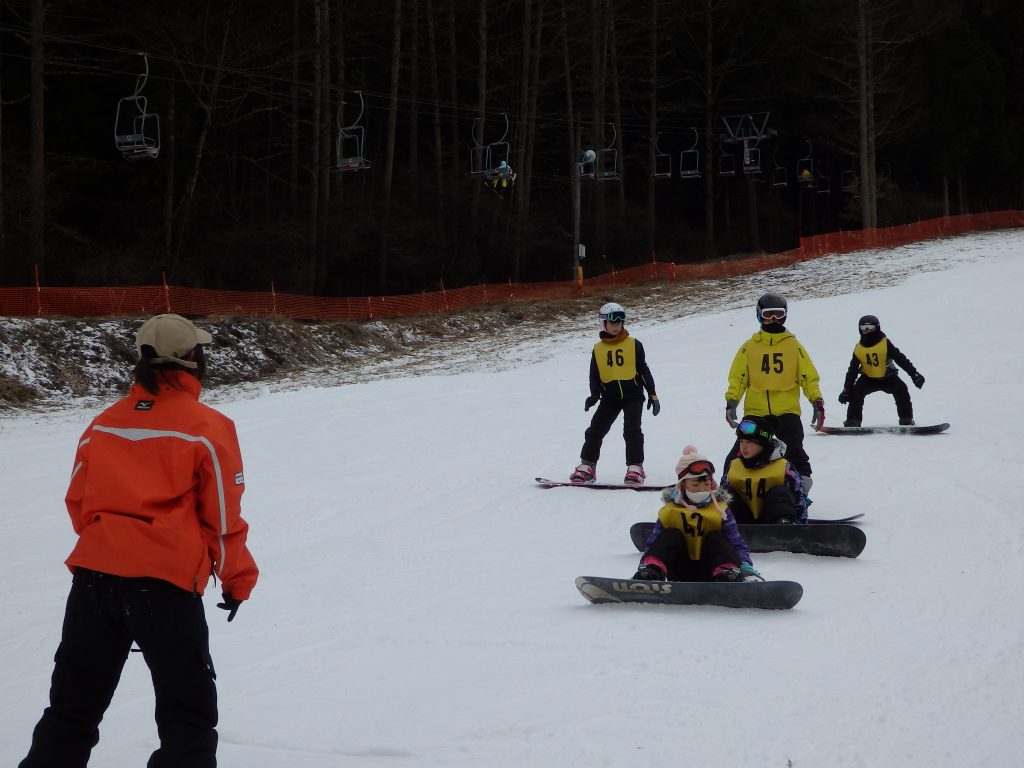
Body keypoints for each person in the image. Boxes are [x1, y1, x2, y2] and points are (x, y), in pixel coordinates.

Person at [19, 313, 259, 768]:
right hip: (163, 587)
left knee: (71, 709)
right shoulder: (207, 427)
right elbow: (222, 518)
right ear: (194, 359)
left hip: (93, 581)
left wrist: (113, 545)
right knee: (187, 716)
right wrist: (237, 579)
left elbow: (78, 501)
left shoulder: (105, 423)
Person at [724, 292, 824, 490]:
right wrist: (732, 401)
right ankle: (729, 492)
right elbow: (738, 377)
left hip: (787, 410)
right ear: (759, 315)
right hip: (756, 412)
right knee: (739, 452)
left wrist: (816, 400)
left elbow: (807, 375)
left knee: (794, 450)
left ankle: (800, 490)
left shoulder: (793, 345)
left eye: (778, 314)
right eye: (769, 314)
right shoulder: (750, 346)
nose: (773, 319)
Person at [633, 446, 762, 583]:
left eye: (706, 483)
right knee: (670, 534)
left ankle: (728, 572)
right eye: (695, 484)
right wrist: (644, 565)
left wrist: (745, 565)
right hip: (679, 569)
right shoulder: (671, 510)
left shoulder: (720, 510)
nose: (702, 489)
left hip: (712, 570)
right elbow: (654, 543)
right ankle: (652, 571)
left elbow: (736, 542)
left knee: (716, 537)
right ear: (682, 485)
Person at [570, 302, 660, 485]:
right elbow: (594, 375)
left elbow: (643, 370)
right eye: (612, 321)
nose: (617, 325)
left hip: (633, 395)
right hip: (609, 397)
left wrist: (652, 394)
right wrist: (594, 395)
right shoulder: (598, 349)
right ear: (603, 323)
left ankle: (635, 468)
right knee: (595, 430)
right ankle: (587, 467)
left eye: (620, 321)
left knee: (632, 431)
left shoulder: (634, 344)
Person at [838, 314, 925, 426]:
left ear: (877, 328)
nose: (867, 331)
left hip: (888, 377)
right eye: (863, 328)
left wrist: (914, 374)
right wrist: (847, 390)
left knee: (901, 389)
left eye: (870, 327)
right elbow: (852, 371)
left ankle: (906, 419)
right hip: (868, 379)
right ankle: (853, 420)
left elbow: (900, 358)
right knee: (856, 393)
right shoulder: (858, 349)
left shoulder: (884, 343)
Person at [722, 415, 808, 525]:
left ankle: (785, 528)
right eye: (741, 441)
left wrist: (802, 530)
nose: (744, 447)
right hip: (741, 524)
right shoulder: (733, 466)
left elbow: (799, 502)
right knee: (727, 494)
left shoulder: (784, 468)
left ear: (763, 444)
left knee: (779, 493)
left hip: (773, 523)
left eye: (749, 442)